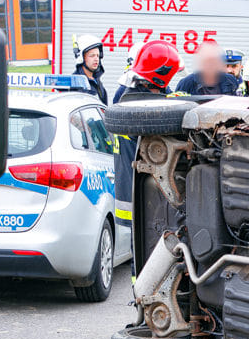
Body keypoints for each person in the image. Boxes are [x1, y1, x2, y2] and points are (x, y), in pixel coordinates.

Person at [112, 40, 181, 269]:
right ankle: (141, 297)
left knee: (142, 249)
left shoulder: (126, 95)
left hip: (131, 189)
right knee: (146, 254)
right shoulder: (144, 105)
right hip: (144, 193)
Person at [72, 34, 108, 104]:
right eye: (92, 56)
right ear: (81, 58)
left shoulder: (97, 82)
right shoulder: (76, 84)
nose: (96, 59)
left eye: (98, 56)